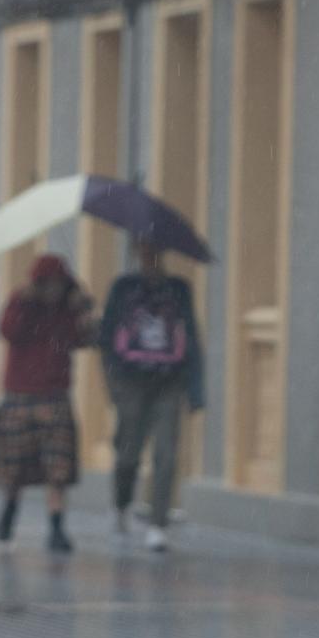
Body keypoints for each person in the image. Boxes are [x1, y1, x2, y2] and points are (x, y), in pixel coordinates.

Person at [0, 254, 94, 554]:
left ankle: (56, 527)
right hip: (20, 396)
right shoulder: (21, 304)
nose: (53, 291)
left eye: (58, 285)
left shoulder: (67, 311)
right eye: (48, 285)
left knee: (57, 469)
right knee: (15, 469)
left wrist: (84, 312)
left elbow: (83, 340)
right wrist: (24, 303)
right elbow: (7, 330)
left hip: (55, 396)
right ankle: (9, 508)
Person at [99, 236, 204, 551]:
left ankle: (159, 523)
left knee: (166, 454)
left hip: (169, 381)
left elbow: (192, 336)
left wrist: (196, 390)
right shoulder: (123, 288)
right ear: (136, 252)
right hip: (131, 381)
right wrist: (113, 384)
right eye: (145, 249)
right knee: (128, 454)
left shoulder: (179, 288)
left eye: (155, 249)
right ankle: (121, 504)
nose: (150, 256)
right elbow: (106, 336)